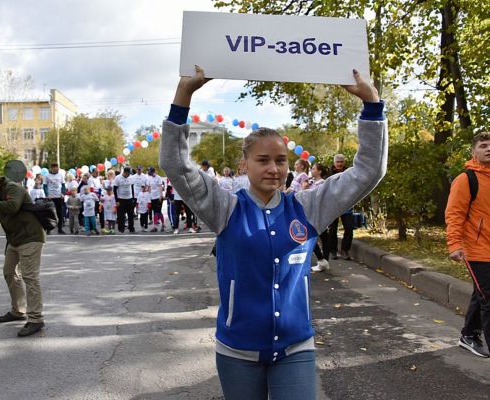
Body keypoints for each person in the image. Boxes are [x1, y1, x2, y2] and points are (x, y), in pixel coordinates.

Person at [160, 65, 386, 399]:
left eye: (280, 160)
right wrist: (184, 95)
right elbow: (176, 165)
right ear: (245, 165)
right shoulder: (224, 208)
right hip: (237, 351)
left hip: (296, 347)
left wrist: (372, 104)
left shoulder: (307, 207)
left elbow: (368, 171)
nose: (273, 168)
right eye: (262, 160)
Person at [0, 169, 46, 337]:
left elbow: (11, 207)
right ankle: (18, 310)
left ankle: (36, 319)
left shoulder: (13, 188)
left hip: (30, 236)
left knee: (30, 276)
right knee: (9, 272)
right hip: (14, 239)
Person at [446, 131, 490, 358]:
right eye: (483, 145)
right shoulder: (466, 179)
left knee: (481, 293)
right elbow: (454, 214)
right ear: (473, 152)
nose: (488, 149)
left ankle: (469, 335)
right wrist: (454, 244)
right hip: (477, 250)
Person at [305, 163, 331, 272]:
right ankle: (323, 261)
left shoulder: (322, 184)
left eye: (313, 168)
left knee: (313, 236)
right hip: (312, 213)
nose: (311, 170)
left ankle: (323, 260)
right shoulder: (312, 182)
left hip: (318, 214)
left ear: (319, 171)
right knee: (320, 237)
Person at [328, 154, 354, 260]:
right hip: (332, 204)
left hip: (346, 203)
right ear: (334, 163)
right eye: (338, 162)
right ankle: (333, 251)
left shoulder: (349, 172)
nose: (339, 164)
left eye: (341, 162)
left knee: (349, 227)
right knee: (332, 229)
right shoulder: (329, 172)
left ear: (344, 163)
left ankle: (345, 250)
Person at [43, 163, 66, 234]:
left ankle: (60, 229)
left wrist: (63, 193)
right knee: (50, 213)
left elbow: (63, 185)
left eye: (57, 168)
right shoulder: (47, 176)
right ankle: (49, 229)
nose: (57, 169)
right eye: (55, 168)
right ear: (52, 168)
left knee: (60, 213)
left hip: (59, 197)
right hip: (51, 197)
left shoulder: (60, 175)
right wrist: (47, 194)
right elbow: (45, 186)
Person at [113, 166, 136, 233]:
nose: (129, 174)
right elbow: (114, 189)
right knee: (121, 215)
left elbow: (132, 187)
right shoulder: (118, 178)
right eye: (129, 173)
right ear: (125, 172)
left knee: (131, 215)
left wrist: (133, 198)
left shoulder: (131, 177)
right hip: (121, 198)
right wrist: (116, 200)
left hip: (129, 198)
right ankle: (121, 229)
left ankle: (131, 228)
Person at [147, 167, 165, 232]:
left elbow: (160, 187)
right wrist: (148, 196)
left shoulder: (158, 178)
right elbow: (149, 188)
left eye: (149, 171)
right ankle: (156, 227)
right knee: (155, 212)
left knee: (158, 212)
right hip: (152, 197)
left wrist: (161, 196)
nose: (148, 172)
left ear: (152, 171)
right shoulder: (149, 178)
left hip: (158, 197)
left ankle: (161, 225)